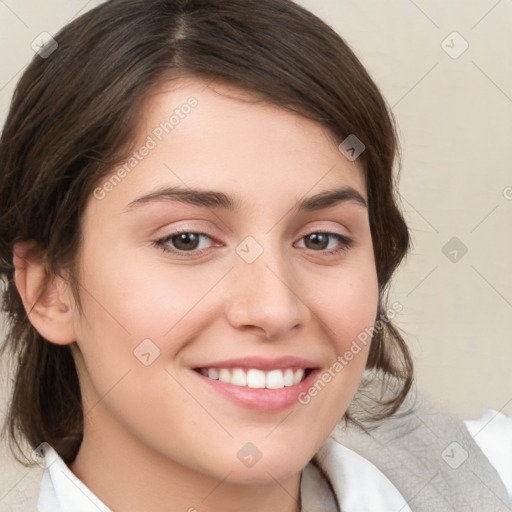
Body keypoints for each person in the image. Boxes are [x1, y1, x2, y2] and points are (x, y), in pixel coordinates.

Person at [0, 0, 510, 510]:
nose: (274, 309)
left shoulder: (488, 473)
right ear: (49, 290)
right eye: (187, 240)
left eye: (320, 239)